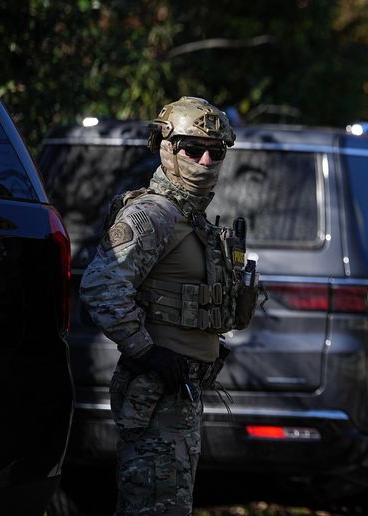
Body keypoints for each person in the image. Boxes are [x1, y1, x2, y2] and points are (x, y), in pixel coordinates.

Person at [80, 96, 260, 515]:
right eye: (192, 148)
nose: (205, 160)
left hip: (180, 392)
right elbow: (101, 286)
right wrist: (146, 350)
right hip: (155, 392)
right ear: (164, 146)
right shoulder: (153, 215)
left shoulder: (190, 218)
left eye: (215, 152)